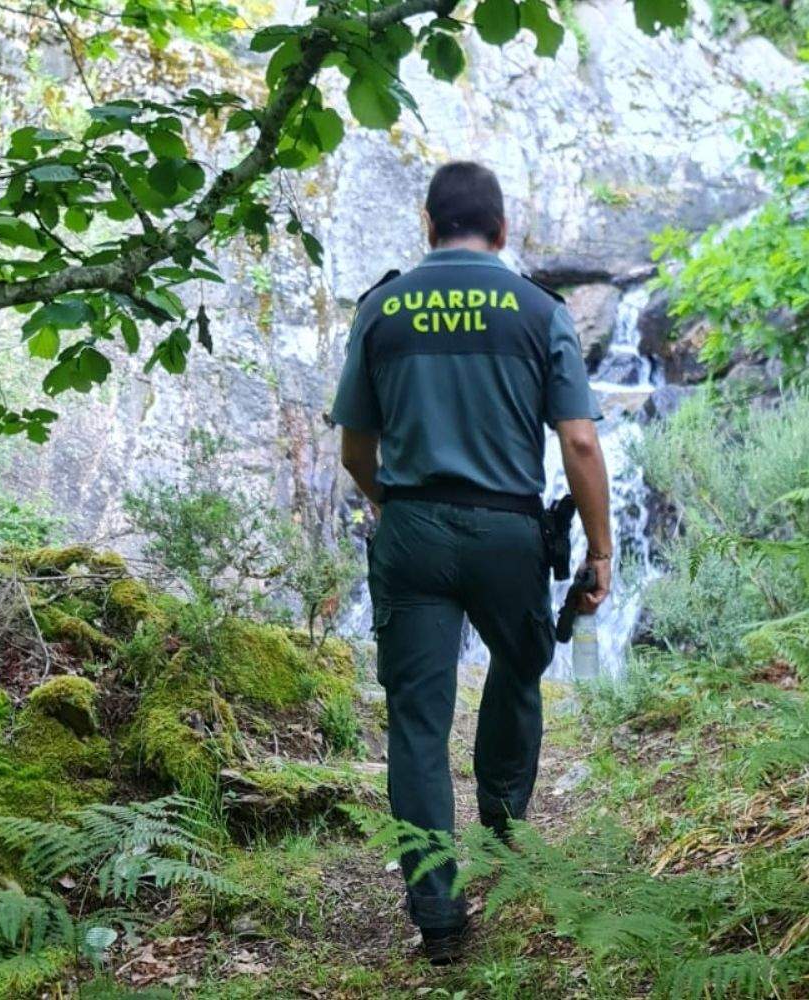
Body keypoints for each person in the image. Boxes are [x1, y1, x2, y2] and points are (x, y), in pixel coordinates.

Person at [330, 161, 613, 965]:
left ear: (427, 224)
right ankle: (502, 823)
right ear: (500, 229)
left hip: (413, 527)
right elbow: (581, 440)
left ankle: (438, 915)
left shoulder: (382, 309)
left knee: (416, 721)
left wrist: (398, 506)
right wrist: (599, 549)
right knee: (520, 668)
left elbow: (356, 448)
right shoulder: (536, 310)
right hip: (507, 534)